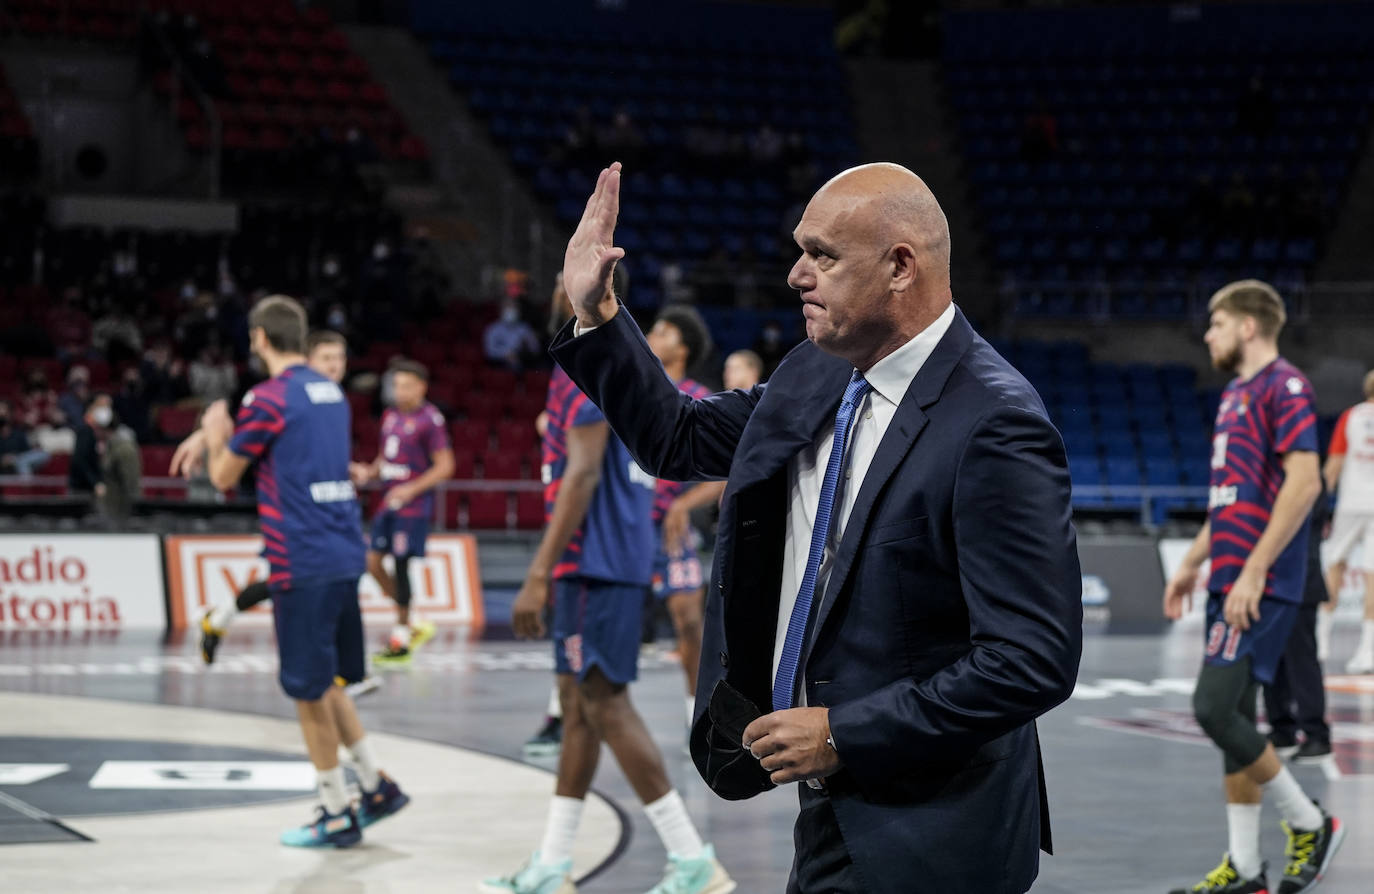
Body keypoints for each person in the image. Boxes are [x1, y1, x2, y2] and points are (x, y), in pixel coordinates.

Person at [551, 162, 1082, 893]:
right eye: (800, 251)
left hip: (936, 833)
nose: (797, 275)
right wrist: (598, 316)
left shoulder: (996, 423)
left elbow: (1031, 661)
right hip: (834, 805)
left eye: (823, 255)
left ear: (901, 266)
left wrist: (841, 733)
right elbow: (675, 437)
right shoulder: (820, 373)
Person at [482, 282, 733, 894]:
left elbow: (584, 473)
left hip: (591, 563)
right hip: (608, 560)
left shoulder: (585, 366)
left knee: (605, 705)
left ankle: (691, 858)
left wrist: (539, 571)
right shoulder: (603, 364)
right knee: (578, 710)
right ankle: (552, 861)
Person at [173, 296, 408, 847]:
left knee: (306, 692)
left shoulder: (266, 397)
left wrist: (213, 427)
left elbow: (226, 474)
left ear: (258, 338)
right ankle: (376, 786)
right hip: (342, 552)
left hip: (301, 559)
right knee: (326, 682)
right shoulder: (329, 394)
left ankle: (333, 809)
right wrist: (220, 433)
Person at [1163, 280, 1343, 894]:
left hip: (1260, 582)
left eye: (1216, 323)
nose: (1208, 334)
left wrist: (1257, 568)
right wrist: (1192, 561)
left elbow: (1306, 483)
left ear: (1247, 326)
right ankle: (1245, 866)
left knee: (1212, 708)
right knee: (1235, 716)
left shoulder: (1284, 385)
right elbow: (1231, 499)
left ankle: (1309, 821)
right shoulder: (1236, 395)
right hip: (1229, 577)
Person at [191, 331, 379, 697]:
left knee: (294, 583)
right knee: (294, 583)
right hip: (297, 519)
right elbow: (239, 429)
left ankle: (220, 618)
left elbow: (312, 453)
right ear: (306, 361)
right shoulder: (282, 395)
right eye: (327, 358)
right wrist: (204, 438)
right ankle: (338, 685)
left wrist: (345, 469)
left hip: (328, 525)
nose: (335, 366)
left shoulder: (333, 400)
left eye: (340, 359)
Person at [645, 305, 726, 731]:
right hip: (627, 527)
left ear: (683, 346)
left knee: (688, 621)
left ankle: (696, 715)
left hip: (672, 531)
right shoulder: (639, 392)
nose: (651, 335)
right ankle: (561, 713)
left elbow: (723, 474)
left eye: (662, 330)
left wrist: (681, 504)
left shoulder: (698, 397)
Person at [350, 359, 454, 665]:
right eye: (396, 385)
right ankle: (413, 619)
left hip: (413, 507)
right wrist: (370, 472)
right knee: (372, 562)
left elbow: (445, 466)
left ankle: (401, 635)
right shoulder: (391, 415)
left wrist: (411, 489)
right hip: (388, 502)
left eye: (407, 385)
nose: (400, 391)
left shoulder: (430, 420)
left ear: (422, 387)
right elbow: (388, 456)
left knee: (401, 565)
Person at [1263, 480, 1333, 763]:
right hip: (1270, 580)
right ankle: (1281, 728)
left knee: (1301, 659)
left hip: (1301, 580)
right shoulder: (1272, 474)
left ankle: (1316, 733)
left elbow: (1300, 520)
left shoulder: (1308, 478)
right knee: (1271, 658)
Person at [1317, 369, 1374, 673]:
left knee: (1335, 568)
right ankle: (1367, 651)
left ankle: (1321, 642)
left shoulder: (1351, 417)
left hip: (1351, 504)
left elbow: (1333, 466)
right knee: (1373, 578)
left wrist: (1318, 507)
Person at [69, 394, 114, 502]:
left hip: (90, 488)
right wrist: (95, 483)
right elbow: (79, 460)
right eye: (102, 405)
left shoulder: (98, 432)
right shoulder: (86, 431)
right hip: (81, 489)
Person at [483, 300, 541, 372]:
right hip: (500, 366)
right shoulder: (493, 329)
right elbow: (489, 351)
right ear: (501, 310)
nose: (511, 310)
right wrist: (505, 354)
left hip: (523, 366)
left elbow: (535, 349)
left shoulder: (525, 328)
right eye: (508, 307)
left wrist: (526, 347)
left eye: (514, 307)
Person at [0, 399, 50, 476]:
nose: (2, 413)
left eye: (4, 410)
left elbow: (26, 451)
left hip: (17, 462)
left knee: (42, 454)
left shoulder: (18, 433)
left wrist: (14, 458)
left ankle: (25, 486)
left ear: (10, 413)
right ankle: (26, 486)